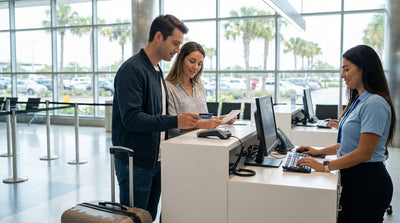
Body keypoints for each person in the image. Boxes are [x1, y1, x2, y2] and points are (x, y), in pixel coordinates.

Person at [112, 15, 201, 221]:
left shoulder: (156, 69)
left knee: (149, 217)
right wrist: (175, 120)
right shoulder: (132, 69)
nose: (178, 49)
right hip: (136, 162)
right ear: (159, 36)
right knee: (134, 219)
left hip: (155, 160)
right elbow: (132, 119)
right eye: (175, 43)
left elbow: (156, 114)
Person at [296, 45, 395, 223]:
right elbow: (349, 145)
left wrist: (324, 165)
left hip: (368, 183)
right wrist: (318, 152)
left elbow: (364, 152)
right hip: (355, 179)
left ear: (364, 68)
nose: (343, 75)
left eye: (346, 69)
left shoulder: (374, 104)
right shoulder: (359, 100)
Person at [165, 41, 235, 137]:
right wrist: (201, 125)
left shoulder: (199, 86)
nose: (196, 67)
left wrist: (220, 119)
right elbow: (172, 126)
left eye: (199, 64)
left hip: (202, 140)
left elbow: (203, 117)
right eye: (192, 61)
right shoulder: (168, 87)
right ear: (181, 60)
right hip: (180, 144)